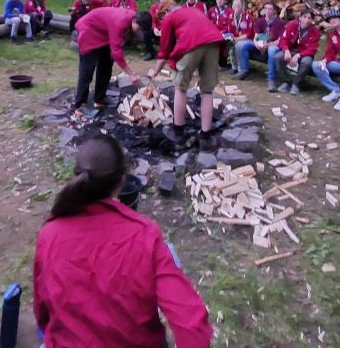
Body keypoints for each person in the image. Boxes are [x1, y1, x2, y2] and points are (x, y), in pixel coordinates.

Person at [34, 135, 212, 348]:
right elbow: (191, 324)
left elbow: (42, 312)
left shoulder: (49, 234)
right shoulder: (144, 236)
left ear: (76, 176)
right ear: (122, 181)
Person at [147, 0, 225, 150]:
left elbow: (163, 52)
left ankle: (178, 130)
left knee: (180, 88)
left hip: (192, 43)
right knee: (207, 91)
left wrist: (154, 72)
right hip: (214, 42)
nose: (162, 21)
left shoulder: (170, 17)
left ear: (165, 12)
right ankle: (205, 135)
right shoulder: (194, 11)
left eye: (161, 18)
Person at [72, 7, 143, 111]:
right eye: (139, 28)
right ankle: (80, 105)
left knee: (106, 66)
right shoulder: (120, 22)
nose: (139, 32)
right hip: (88, 31)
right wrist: (131, 74)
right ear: (134, 21)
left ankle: (100, 98)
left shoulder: (132, 17)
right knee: (87, 71)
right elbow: (117, 52)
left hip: (103, 35)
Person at [232, 1, 285, 88]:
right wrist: (256, 43)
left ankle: (271, 79)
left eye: (269, 9)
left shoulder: (279, 23)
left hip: (273, 44)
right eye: (265, 9)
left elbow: (280, 40)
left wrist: (268, 44)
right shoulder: (261, 21)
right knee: (241, 45)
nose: (267, 11)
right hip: (261, 42)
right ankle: (243, 70)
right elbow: (256, 36)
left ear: (274, 11)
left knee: (272, 50)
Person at [274, 10, 320, 95]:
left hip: (305, 54)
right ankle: (285, 81)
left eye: (309, 18)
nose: (307, 20)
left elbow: (312, 49)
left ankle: (296, 84)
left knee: (306, 62)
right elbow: (283, 39)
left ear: (312, 20)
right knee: (278, 56)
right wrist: (286, 50)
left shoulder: (315, 31)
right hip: (291, 50)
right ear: (300, 18)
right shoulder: (292, 25)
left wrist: (298, 55)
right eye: (304, 17)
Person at [226, 0, 254, 71]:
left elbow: (248, 35)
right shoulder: (230, 17)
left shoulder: (248, 17)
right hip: (236, 39)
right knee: (229, 43)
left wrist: (236, 39)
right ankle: (234, 67)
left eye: (238, 5)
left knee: (239, 45)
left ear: (242, 6)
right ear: (232, 6)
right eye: (234, 5)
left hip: (249, 40)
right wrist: (230, 38)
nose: (236, 7)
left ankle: (241, 69)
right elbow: (230, 32)